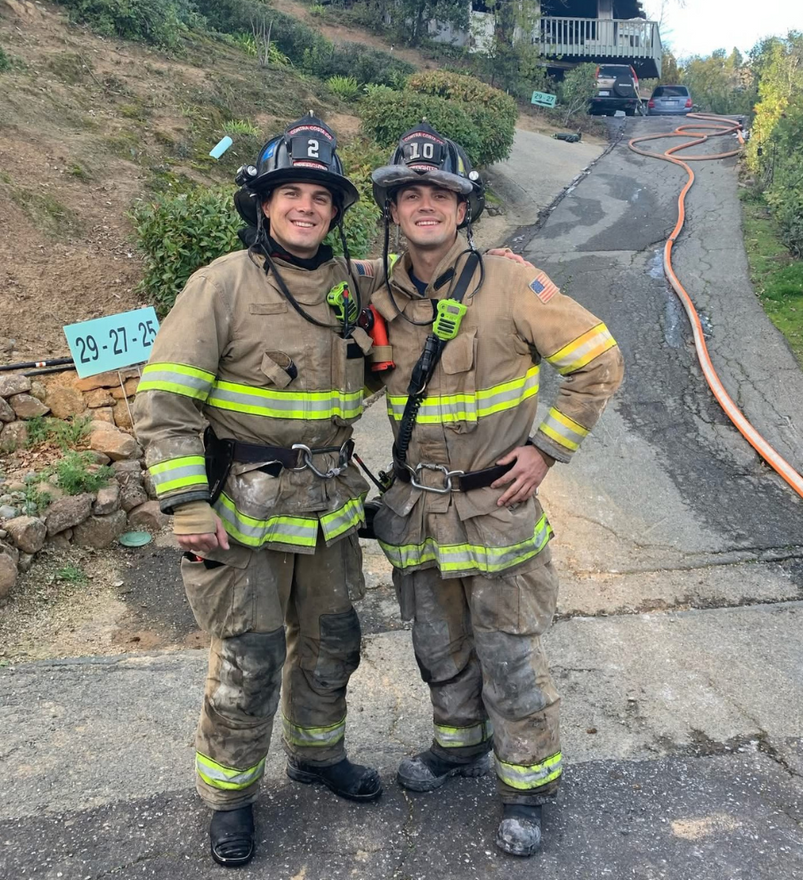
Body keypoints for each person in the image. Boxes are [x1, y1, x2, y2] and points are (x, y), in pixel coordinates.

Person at [133, 114, 387, 868]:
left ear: (336, 212)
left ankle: (316, 757)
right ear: (264, 205)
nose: (306, 206)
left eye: (320, 196)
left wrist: (490, 259)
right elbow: (165, 404)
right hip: (241, 511)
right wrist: (184, 503)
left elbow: (416, 282)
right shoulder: (219, 285)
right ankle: (230, 799)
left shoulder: (350, 285)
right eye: (290, 193)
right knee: (246, 661)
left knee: (335, 643)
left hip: (329, 506)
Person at [367, 122, 625, 857]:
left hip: (496, 513)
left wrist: (548, 449)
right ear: (392, 210)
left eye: (440, 193)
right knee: (437, 647)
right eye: (410, 193)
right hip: (418, 512)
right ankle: (458, 748)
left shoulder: (512, 281)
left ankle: (527, 788)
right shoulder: (378, 291)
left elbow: (599, 362)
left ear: (463, 208)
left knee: (508, 657)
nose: (425, 204)